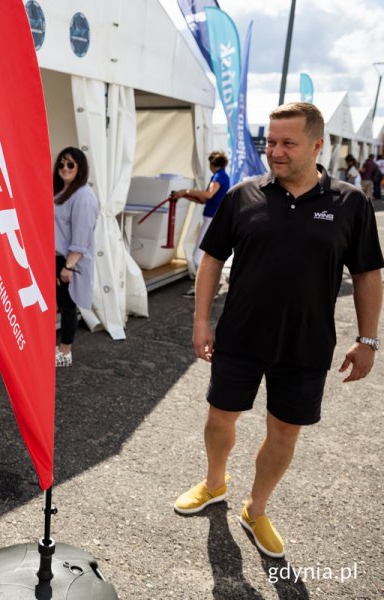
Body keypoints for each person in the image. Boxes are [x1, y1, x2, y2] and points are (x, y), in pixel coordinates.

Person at [174, 102, 383, 559]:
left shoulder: (350, 202)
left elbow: (368, 273)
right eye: (270, 142)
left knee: (285, 432)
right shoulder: (243, 194)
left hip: (306, 344)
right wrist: (201, 320)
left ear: (316, 144)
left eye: (287, 143)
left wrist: (368, 340)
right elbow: (211, 259)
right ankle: (214, 484)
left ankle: (256, 509)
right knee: (219, 418)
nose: (276, 151)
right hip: (241, 335)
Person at [52, 147, 99, 367]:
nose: (64, 168)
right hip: (57, 257)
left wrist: (69, 266)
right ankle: (59, 348)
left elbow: (82, 236)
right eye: (61, 164)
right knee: (61, 303)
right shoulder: (62, 191)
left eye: (70, 164)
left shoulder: (83, 196)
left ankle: (65, 351)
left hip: (70, 259)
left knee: (68, 305)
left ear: (80, 167)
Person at [171, 151, 231, 297]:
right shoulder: (221, 176)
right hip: (214, 218)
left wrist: (184, 191)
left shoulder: (218, 176)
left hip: (212, 219)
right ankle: (209, 287)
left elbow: (208, 195)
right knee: (206, 255)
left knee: (198, 256)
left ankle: (202, 289)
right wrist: (184, 195)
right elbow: (204, 200)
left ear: (212, 164)